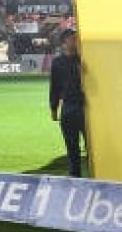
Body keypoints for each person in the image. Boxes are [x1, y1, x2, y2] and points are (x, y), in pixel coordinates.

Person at [49, 27, 86, 177]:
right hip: (69, 107)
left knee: (92, 146)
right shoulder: (57, 62)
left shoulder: (83, 59)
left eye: (77, 39)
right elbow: (55, 87)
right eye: (73, 39)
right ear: (64, 43)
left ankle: (97, 175)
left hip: (86, 107)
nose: (76, 42)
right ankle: (75, 177)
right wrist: (53, 108)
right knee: (72, 146)